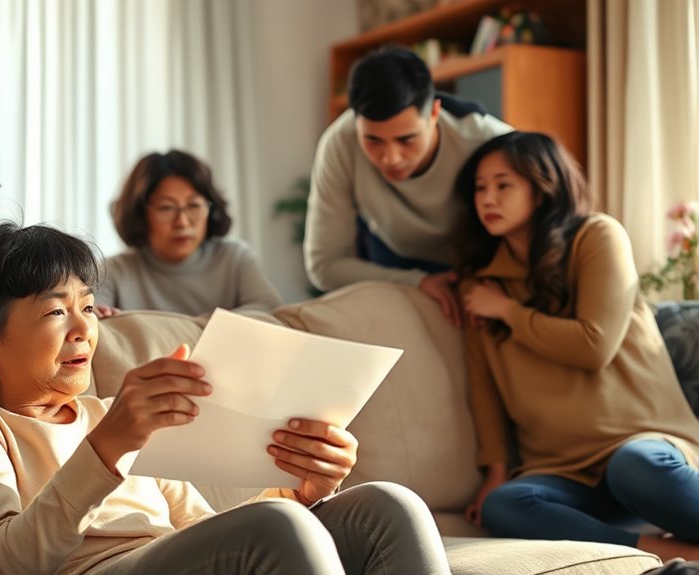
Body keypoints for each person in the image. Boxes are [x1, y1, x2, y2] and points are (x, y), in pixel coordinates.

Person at [0, 222, 451, 575]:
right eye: (56, 311)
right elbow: (4, 561)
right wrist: (106, 449)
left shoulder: (108, 414)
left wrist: (300, 492)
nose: (83, 328)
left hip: (165, 557)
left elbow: (202, 530)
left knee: (386, 504)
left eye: (87, 305)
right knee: (278, 526)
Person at [455, 131, 699, 561]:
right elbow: (483, 385)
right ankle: (664, 552)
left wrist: (509, 311)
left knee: (634, 467)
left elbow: (595, 345)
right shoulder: (480, 284)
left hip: (641, 443)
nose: (487, 198)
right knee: (504, 505)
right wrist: (494, 471)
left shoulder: (597, 238)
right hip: (565, 470)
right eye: (480, 187)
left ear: (543, 185)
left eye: (503, 184)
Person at [304, 45, 511, 326]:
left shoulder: (487, 139)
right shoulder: (339, 143)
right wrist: (416, 281)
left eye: (406, 139)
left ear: (435, 113)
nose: (390, 159)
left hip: (474, 260)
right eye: (373, 140)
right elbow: (324, 265)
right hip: (389, 258)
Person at [96, 150, 283, 317]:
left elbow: (271, 310)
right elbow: (91, 317)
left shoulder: (235, 258)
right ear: (140, 215)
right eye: (166, 208)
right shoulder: (114, 271)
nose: (182, 222)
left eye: (194, 205)